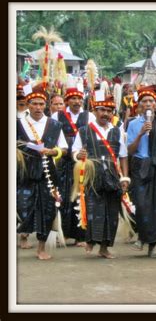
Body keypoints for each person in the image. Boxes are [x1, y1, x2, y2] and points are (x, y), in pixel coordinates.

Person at [71, 95, 129, 259]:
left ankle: (104, 248)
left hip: (112, 177)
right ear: (94, 111)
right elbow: (74, 152)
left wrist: (124, 178)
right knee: (93, 211)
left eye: (109, 111)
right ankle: (91, 240)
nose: (105, 113)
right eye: (102, 110)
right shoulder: (83, 131)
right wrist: (79, 154)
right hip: (92, 177)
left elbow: (123, 156)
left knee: (111, 213)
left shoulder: (117, 131)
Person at [17, 84, 68, 260]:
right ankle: (22, 234)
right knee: (22, 207)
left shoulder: (54, 124)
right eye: (34, 104)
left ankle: (41, 247)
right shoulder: (18, 123)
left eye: (41, 104)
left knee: (47, 210)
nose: (38, 107)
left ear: (45, 105)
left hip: (48, 173)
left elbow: (64, 148)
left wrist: (53, 152)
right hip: (24, 173)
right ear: (28, 104)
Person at [127, 85, 156, 257]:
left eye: (151, 101)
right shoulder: (132, 124)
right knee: (141, 204)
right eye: (144, 101)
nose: (147, 104)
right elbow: (130, 150)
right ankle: (142, 236)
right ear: (139, 106)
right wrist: (140, 134)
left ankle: (152, 245)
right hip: (140, 167)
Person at [51, 87, 96, 247]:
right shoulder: (58, 115)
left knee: (81, 195)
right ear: (67, 100)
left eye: (79, 99)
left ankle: (81, 236)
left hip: (82, 160)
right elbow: (53, 135)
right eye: (73, 99)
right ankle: (63, 233)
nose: (77, 102)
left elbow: (92, 136)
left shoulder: (89, 115)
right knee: (63, 196)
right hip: (64, 161)